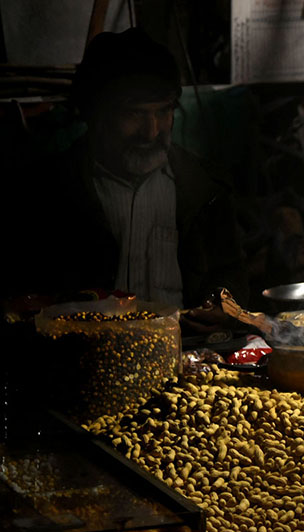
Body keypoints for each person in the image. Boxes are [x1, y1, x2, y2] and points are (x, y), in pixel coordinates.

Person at [7, 28, 248, 329]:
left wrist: (222, 305)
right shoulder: (47, 191)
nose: (152, 131)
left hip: (187, 359)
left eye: (164, 112)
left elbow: (230, 277)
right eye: (133, 114)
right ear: (96, 114)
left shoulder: (205, 187)